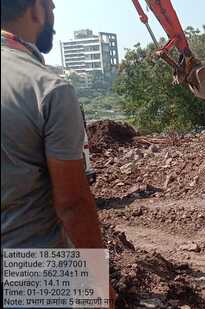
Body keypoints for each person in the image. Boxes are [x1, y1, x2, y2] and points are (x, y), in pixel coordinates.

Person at [1, 0, 115, 306]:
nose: (53, 15)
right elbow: (73, 205)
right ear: (35, 9)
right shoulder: (47, 87)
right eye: (51, 7)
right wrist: (100, 285)